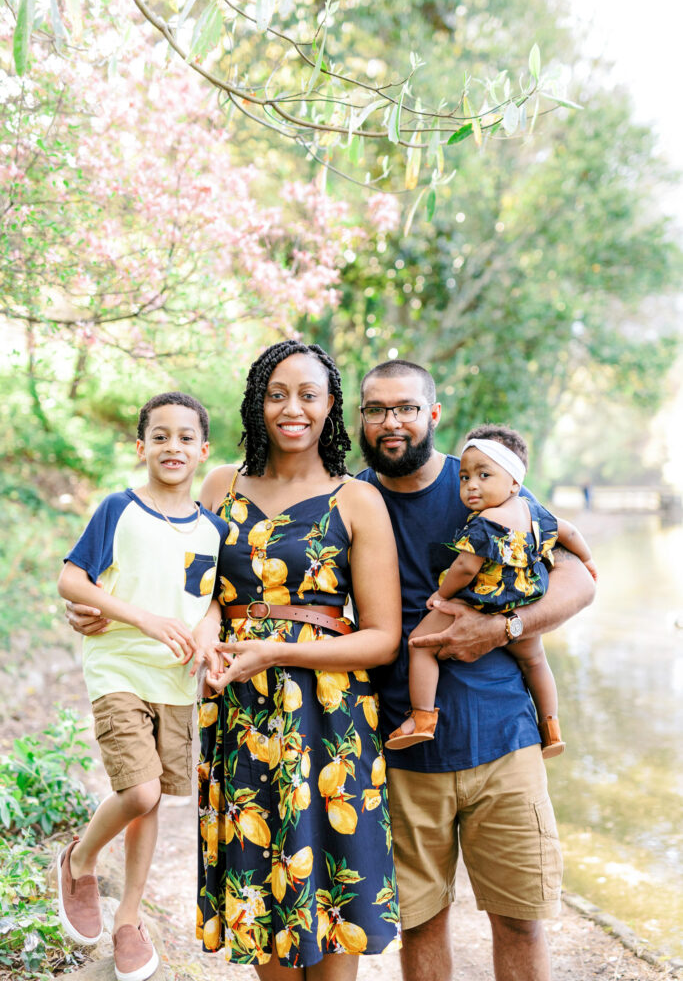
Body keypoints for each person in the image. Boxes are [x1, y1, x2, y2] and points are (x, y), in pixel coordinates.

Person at [356, 359, 596, 981]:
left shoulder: (485, 482)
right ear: (361, 420)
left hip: (503, 740)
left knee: (520, 918)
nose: (392, 422)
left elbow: (578, 580)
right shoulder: (351, 499)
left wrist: (505, 627)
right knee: (422, 922)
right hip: (404, 748)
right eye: (376, 409)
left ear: (432, 415)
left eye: (406, 407)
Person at [192, 340, 402, 978]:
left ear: (330, 405)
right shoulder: (219, 485)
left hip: (330, 722)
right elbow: (194, 590)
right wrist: (206, 628)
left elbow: (383, 638)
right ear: (257, 402)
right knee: (264, 907)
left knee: (332, 903)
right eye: (276, 393)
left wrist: (277, 651)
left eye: (308, 395)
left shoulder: (356, 500)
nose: (292, 409)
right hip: (242, 716)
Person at [56, 392, 227, 981]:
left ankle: (129, 918)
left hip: (175, 681)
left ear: (204, 451)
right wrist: (141, 617)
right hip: (119, 669)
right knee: (142, 791)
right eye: (160, 436)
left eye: (185, 437)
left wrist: (207, 637)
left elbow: (211, 605)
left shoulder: (213, 530)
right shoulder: (119, 509)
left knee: (152, 800)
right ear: (141, 446)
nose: (172, 446)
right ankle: (79, 859)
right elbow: (71, 579)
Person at [385, 422, 597, 756]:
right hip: (523, 600)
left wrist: (441, 596)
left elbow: (466, 567)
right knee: (536, 661)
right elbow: (568, 532)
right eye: (465, 477)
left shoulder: (486, 523)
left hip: (484, 601)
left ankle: (423, 718)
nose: (471, 486)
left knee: (421, 646)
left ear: (514, 482)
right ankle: (551, 727)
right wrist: (587, 561)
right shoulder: (534, 512)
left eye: (484, 476)